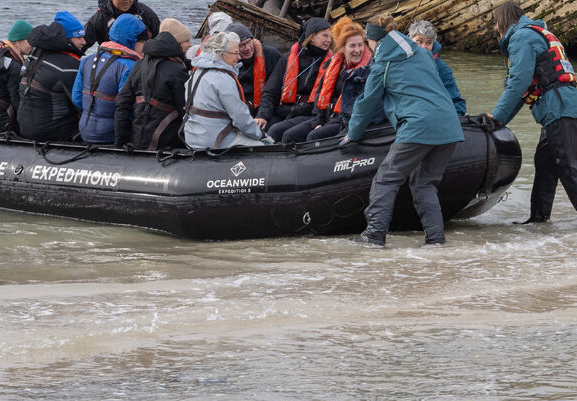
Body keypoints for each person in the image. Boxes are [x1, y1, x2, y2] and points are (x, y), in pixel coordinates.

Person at [341, 22, 468, 245]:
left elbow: (366, 103)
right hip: (449, 126)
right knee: (424, 182)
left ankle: (374, 235)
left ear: (374, 41)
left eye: (369, 42)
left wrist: (353, 133)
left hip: (418, 125)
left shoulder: (383, 63)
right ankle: (436, 240)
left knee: (386, 179)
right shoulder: (424, 54)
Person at [489, 1, 577, 229]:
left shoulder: (521, 38)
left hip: (558, 106)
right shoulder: (534, 32)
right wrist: (500, 120)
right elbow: (523, 90)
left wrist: (497, 116)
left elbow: (518, 83)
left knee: (568, 166)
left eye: (495, 23)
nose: (495, 29)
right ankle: (538, 220)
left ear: (503, 20)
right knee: (545, 163)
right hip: (557, 105)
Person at [262, 18, 348, 146]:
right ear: (311, 37)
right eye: (324, 36)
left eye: (330, 37)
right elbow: (270, 91)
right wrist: (262, 115)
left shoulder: (331, 64)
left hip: (310, 113)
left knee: (279, 132)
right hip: (285, 110)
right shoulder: (288, 59)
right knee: (263, 129)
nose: (329, 41)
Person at [184, 29, 269, 150]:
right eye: (235, 53)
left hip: (192, 136)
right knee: (264, 147)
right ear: (222, 54)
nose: (239, 57)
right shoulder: (223, 79)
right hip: (215, 140)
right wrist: (260, 135)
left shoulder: (196, 72)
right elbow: (240, 118)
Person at [73, 14, 146, 144]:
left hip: (85, 129)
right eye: (143, 42)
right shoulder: (131, 66)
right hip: (111, 135)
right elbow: (129, 109)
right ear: (132, 40)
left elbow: (77, 98)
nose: (145, 47)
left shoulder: (86, 61)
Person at [115, 28, 191, 151]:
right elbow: (185, 109)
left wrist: (120, 141)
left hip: (138, 136)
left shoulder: (138, 65)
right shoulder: (177, 70)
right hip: (166, 139)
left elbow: (122, 102)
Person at [14, 23, 85, 141]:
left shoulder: (33, 56)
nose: (84, 42)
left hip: (24, 129)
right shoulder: (68, 66)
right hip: (53, 134)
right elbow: (81, 104)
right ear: (66, 40)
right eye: (79, 38)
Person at [83, 0, 159, 49]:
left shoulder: (144, 12)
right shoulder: (100, 18)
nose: (127, 1)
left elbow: (159, 38)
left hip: (143, 59)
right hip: (112, 59)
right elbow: (81, 44)